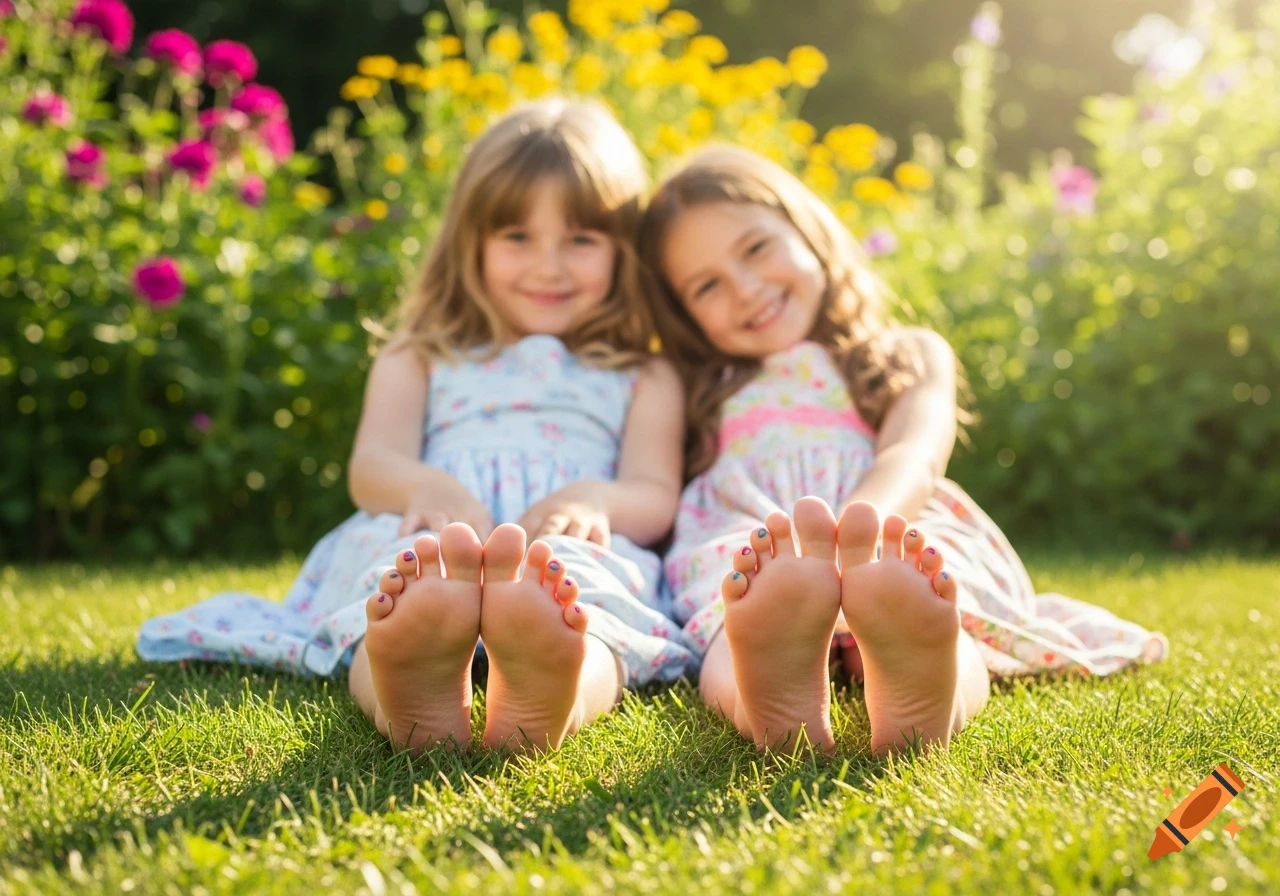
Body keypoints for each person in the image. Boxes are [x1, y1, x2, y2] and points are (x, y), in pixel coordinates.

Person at [137, 98, 694, 754]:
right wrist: (426, 488)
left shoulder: (642, 373)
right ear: (471, 242)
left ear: (623, 250)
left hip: (565, 543)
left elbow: (655, 493)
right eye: (517, 237)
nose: (550, 266)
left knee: (593, 605)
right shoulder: (423, 352)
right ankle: (407, 690)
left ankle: (558, 691)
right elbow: (371, 466)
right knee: (393, 590)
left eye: (581, 239)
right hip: (432, 532)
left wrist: (592, 499)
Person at [637, 145, 1168, 756]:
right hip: (756, 531)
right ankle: (768, 703)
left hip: (893, 520)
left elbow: (913, 454)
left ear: (808, 232)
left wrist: (860, 535)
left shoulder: (907, 352)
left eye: (756, 249)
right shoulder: (691, 385)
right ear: (683, 314)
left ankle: (925, 688)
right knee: (734, 619)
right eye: (707, 286)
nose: (747, 289)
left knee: (935, 605)